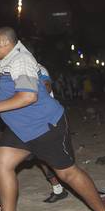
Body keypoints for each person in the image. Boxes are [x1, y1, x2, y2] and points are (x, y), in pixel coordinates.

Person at [0, 27, 105, 211]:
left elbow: (28, 97)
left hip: (44, 126)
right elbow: (13, 91)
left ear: (7, 43)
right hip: (21, 128)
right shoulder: (5, 61)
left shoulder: (20, 61)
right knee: (2, 163)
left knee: (67, 174)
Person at [27, 63, 68, 203]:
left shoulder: (38, 69)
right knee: (40, 157)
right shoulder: (13, 70)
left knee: (53, 158)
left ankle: (64, 186)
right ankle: (58, 189)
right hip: (30, 120)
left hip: (46, 117)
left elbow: (46, 87)